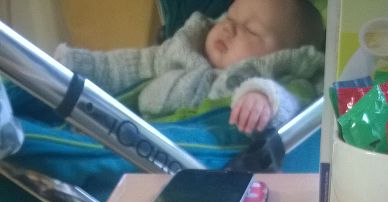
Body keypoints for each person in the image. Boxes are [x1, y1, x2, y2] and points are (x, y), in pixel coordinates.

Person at [55, 0, 325, 133]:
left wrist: (263, 98)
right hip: (127, 127)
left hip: (181, 154)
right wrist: (77, 64)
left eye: (251, 30)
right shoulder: (182, 51)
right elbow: (128, 66)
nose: (229, 28)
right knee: (54, 106)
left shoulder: (282, 81)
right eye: (230, 18)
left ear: (286, 56)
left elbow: (295, 102)